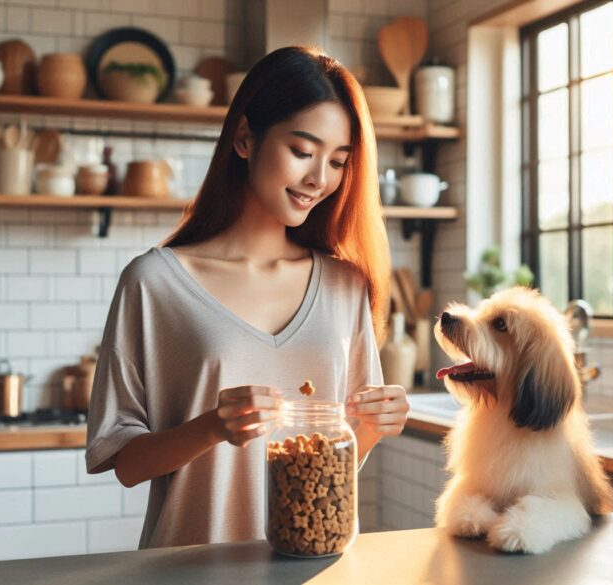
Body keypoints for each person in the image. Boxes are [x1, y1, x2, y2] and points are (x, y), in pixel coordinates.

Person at [84, 46, 410, 549]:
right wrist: (211, 426)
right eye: (302, 151)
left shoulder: (345, 285)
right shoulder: (153, 282)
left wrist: (374, 425)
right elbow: (124, 463)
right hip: (190, 570)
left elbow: (338, 459)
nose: (318, 179)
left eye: (337, 161)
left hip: (315, 567)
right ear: (244, 138)